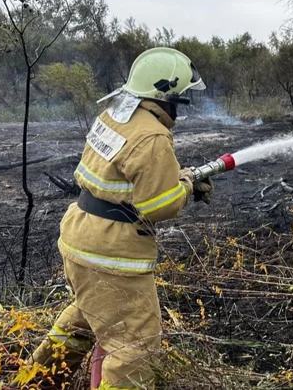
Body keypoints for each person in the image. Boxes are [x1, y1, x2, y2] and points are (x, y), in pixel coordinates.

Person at [31, 48, 214, 389]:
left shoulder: (114, 114)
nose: (179, 107)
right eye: (180, 98)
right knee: (135, 346)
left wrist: (177, 179)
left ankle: (34, 382)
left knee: (87, 317)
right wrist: (186, 187)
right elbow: (159, 205)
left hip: (80, 236)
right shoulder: (153, 135)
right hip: (111, 253)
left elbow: (121, 179)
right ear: (165, 96)